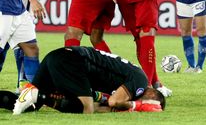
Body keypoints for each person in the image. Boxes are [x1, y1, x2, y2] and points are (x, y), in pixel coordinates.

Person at [11, 46, 165, 114]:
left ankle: (37, 96)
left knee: (30, 107)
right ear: (152, 96)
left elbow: (105, 104)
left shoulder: (132, 76)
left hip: (60, 56)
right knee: (87, 109)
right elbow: (113, 102)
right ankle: (39, 96)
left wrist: (121, 109)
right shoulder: (141, 82)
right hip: (74, 61)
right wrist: (137, 106)